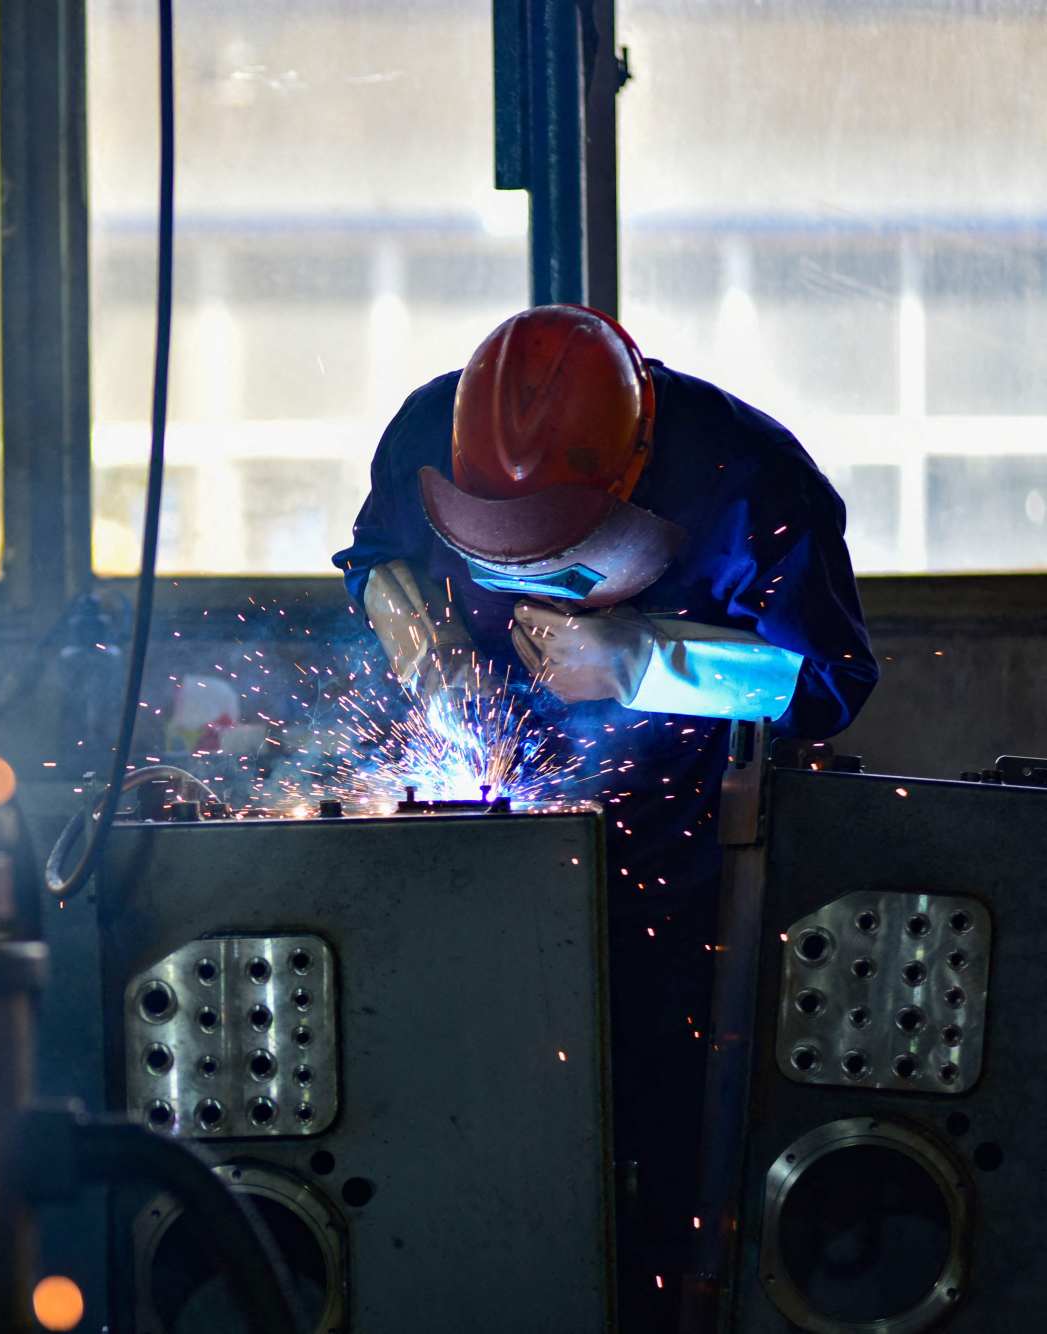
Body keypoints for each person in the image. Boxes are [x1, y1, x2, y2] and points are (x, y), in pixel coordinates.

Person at [333, 304, 879, 1327]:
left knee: (671, 1160)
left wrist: (646, 664)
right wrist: (421, 646)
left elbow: (826, 683)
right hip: (486, 857)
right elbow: (375, 563)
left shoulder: (749, 477)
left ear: (629, 471)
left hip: (682, 873)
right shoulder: (422, 435)